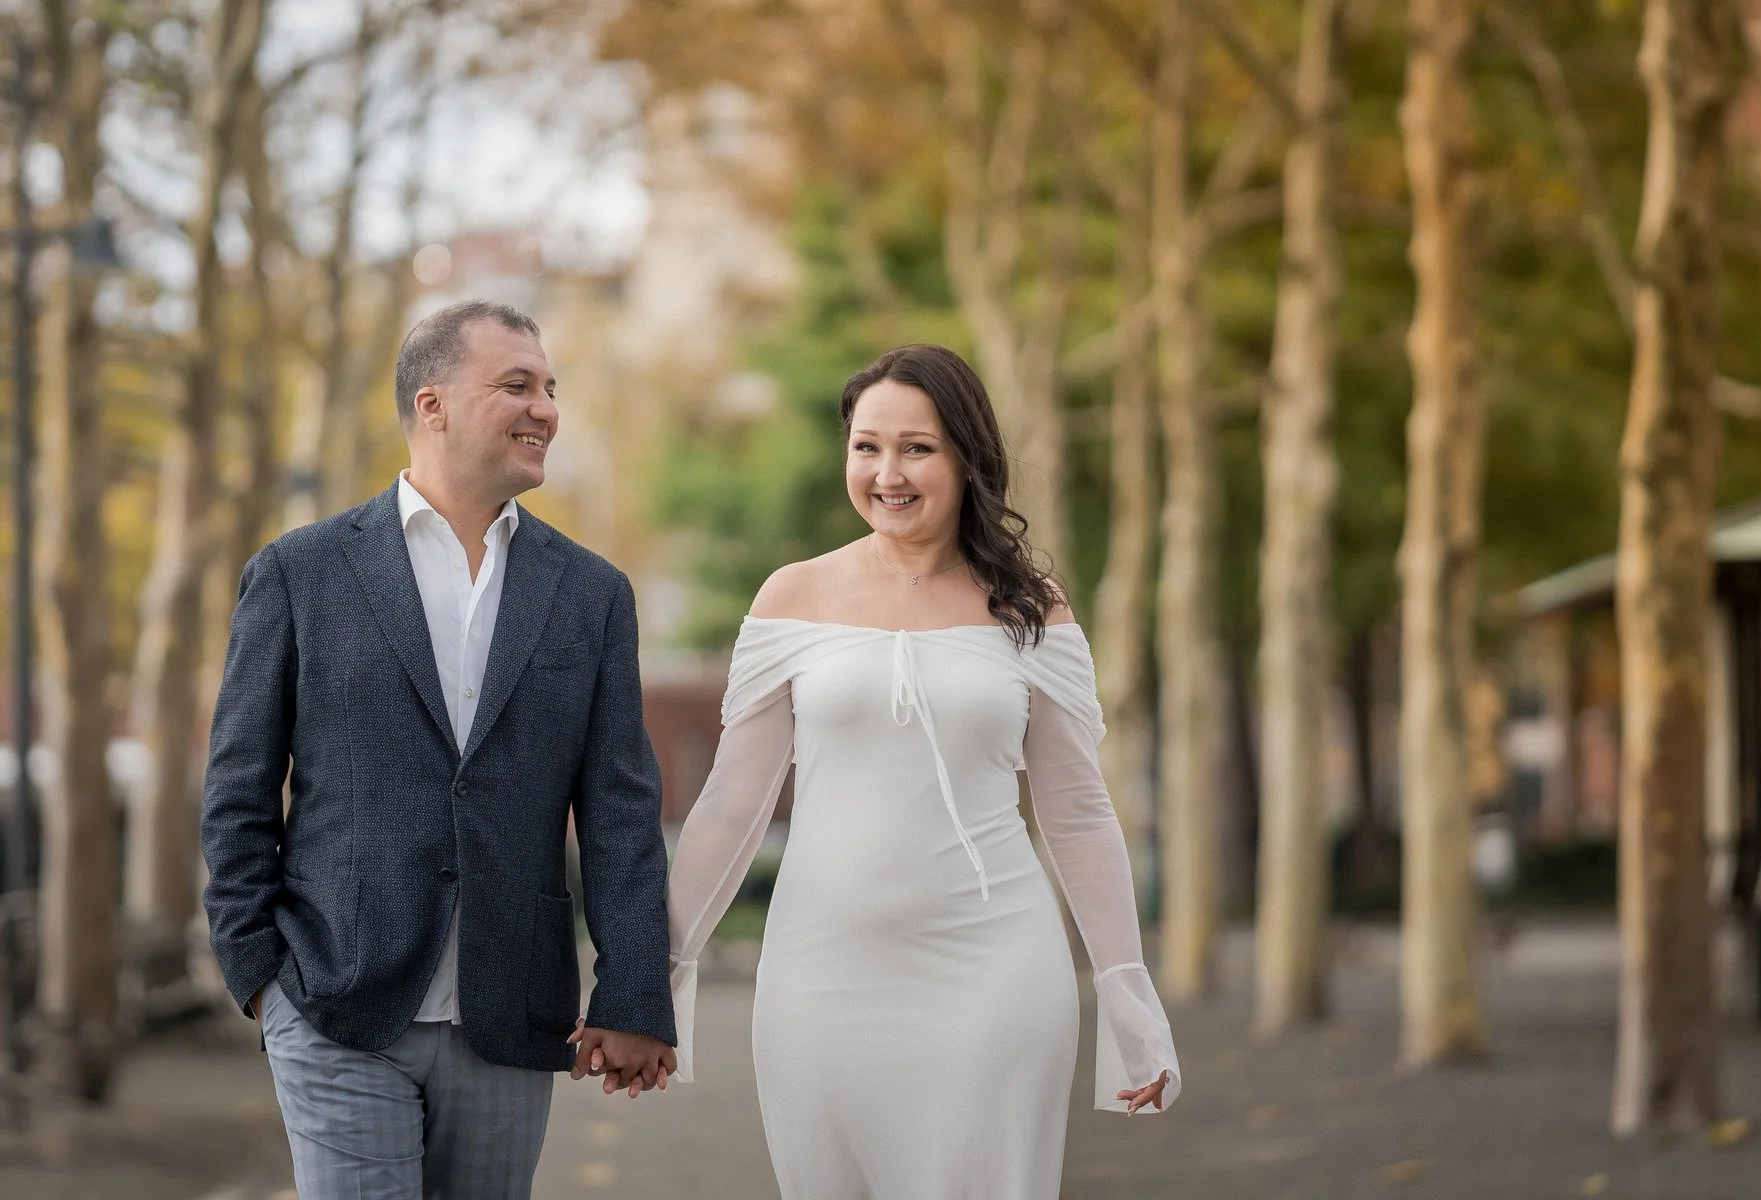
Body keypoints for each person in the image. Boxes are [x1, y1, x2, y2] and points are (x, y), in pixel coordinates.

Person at [656, 344, 1181, 1199]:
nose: (887, 472)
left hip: (993, 970)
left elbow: (1078, 815)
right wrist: (658, 970)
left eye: (917, 448)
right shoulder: (791, 596)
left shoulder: (1031, 609)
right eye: (866, 447)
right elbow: (729, 807)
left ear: (968, 457)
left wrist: (1126, 988)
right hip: (818, 974)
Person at [200, 299, 676, 1200]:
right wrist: (259, 975)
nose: (546, 408)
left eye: (549, 388)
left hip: (512, 1010)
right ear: (434, 404)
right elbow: (238, 793)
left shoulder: (591, 594)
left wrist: (635, 993)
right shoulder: (300, 573)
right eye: (516, 385)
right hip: (335, 999)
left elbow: (618, 810)